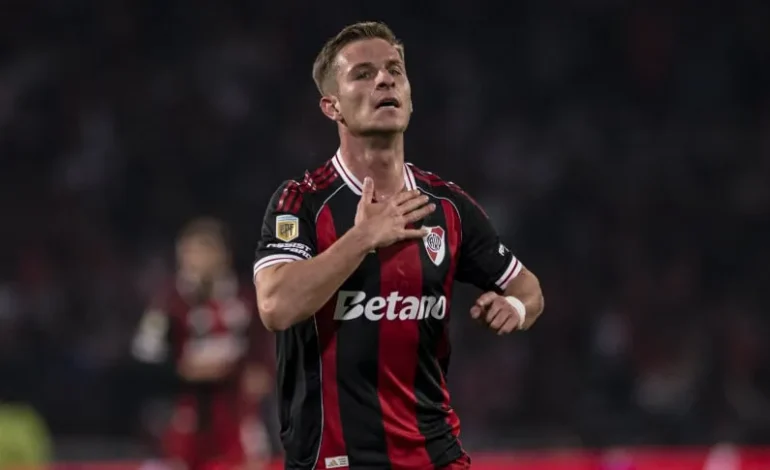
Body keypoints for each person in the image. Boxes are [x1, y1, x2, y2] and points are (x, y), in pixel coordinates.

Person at [253, 22, 545, 470]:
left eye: (395, 71)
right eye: (363, 74)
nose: (385, 80)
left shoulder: (447, 206)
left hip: (436, 455)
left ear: (409, 96)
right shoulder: (302, 202)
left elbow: (529, 288)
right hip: (334, 460)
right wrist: (363, 238)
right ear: (332, 106)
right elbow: (275, 306)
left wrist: (518, 309)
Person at [133, 218, 273, 470]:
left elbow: (265, 345)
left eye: (204, 251)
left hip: (237, 408)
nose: (196, 260)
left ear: (224, 255)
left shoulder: (247, 297)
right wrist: (181, 371)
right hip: (186, 408)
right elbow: (144, 358)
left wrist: (262, 371)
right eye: (189, 253)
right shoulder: (167, 302)